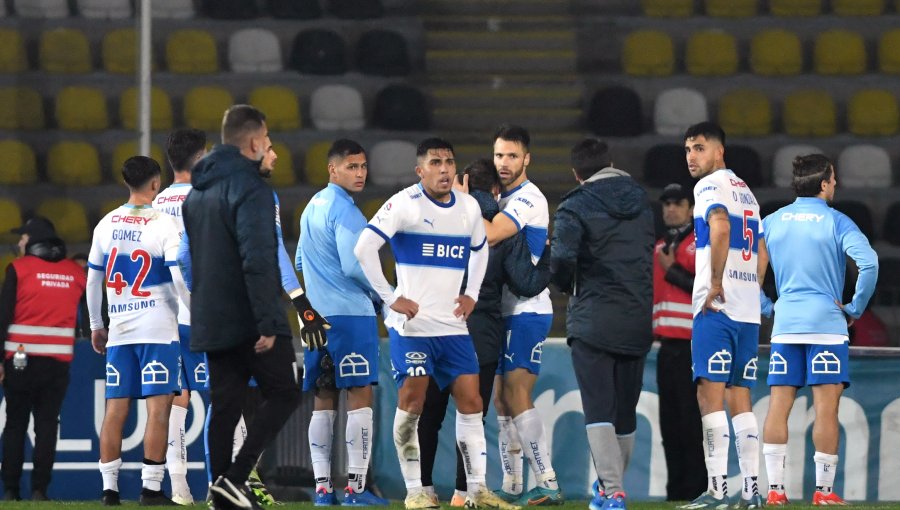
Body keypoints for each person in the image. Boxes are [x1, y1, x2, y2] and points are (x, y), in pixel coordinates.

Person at [353, 138, 515, 510]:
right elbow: (364, 247)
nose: (444, 169)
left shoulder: (469, 207)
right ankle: (415, 491)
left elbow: (480, 250)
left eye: (449, 162)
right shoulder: (404, 204)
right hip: (413, 327)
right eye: (436, 162)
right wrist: (391, 298)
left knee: (472, 402)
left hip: (453, 327)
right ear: (420, 170)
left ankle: (476, 490)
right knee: (413, 403)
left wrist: (471, 293)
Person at [182, 105, 324, 510]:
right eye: (269, 143)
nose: (271, 151)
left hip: (211, 317)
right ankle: (236, 477)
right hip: (249, 317)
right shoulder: (253, 190)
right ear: (255, 143)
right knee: (283, 393)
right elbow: (258, 258)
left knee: (225, 406)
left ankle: (219, 492)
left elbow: (189, 259)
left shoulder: (197, 193)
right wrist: (267, 320)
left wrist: (206, 304)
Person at [417, 159, 551, 507]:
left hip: (435, 328)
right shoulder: (500, 232)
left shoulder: (434, 218)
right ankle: (465, 493)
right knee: (472, 414)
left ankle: (424, 491)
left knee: (429, 413)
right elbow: (526, 281)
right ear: (495, 191)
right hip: (482, 332)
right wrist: (550, 253)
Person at [759, 154, 878, 506]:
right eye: (834, 179)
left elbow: (751, 274)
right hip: (826, 324)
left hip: (786, 325)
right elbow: (869, 263)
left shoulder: (772, 221)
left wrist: (770, 309)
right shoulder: (838, 221)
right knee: (826, 410)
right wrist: (855, 307)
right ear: (824, 184)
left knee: (779, 406)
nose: (836, 184)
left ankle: (776, 491)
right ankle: (824, 493)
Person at [550, 139, 654, 510]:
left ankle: (612, 492)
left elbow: (561, 258)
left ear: (577, 174)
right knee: (624, 412)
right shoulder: (643, 202)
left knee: (598, 407)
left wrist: (564, 284)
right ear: (611, 163)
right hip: (637, 318)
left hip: (594, 319)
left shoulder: (574, 205)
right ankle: (612, 487)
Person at [87, 156, 191, 506]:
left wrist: (97, 325)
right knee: (158, 410)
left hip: (119, 330)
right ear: (155, 184)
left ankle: (109, 490)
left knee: (115, 409)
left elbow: (93, 280)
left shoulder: (105, 224)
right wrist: (193, 309)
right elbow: (178, 274)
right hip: (158, 330)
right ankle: (150, 488)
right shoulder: (163, 224)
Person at [294, 139, 388, 507]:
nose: (360, 173)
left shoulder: (310, 207)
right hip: (351, 315)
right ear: (333, 169)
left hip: (315, 318)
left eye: (363, 166)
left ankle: (321, 490)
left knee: (324, 396)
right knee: (359, 394)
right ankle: (356, 489)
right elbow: (354, 265)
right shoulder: (348, 211)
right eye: (352, 167)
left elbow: (301, 262)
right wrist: (384, 293)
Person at [678, 122, 766, 509]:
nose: (692, 157)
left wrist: (715, 282)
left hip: (717, 309)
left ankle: (717, 491)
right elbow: (762, 251)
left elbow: (718, 227)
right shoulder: (746, 191)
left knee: (708, 395)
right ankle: (751, 492)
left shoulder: (708, 188)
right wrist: (751, 288)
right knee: (740, 396)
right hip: (747, 310)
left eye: (699, 148)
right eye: (687, 150)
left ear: (719, 152)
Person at [474, 125, 559, 506]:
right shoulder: (499, 197)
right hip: (503, 310)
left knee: (515, 391)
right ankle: (512, 484)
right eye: (498, 155)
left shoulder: (529, 199)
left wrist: (463, 202)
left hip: (529, 309)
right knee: (500, 401)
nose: (504, 163)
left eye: (511, 156)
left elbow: (491, 235)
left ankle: (548, 480)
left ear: (527, 159)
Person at [0, 217, 86, 501]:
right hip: (57, 364)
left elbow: (4, 318)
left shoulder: (18, 269)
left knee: (15, 424)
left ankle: (11, 491)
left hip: (20, 361)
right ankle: (40, 490)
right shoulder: (75, 273)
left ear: (34, 239)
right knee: (47, 426)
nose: (20, 243)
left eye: (23, 238)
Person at [154, 127, 207, 505]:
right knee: (225, 394)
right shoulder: (205, 198)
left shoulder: (155, 204)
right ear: (201, 157)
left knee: (178, 395)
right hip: (203, 309)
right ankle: (228, 480)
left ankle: (180, 487)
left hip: (165, 315)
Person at [652, 184, 706, 501]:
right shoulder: (660, 246)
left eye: (678, 203)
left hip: (692, 344)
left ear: (691, 207)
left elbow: (705, 288)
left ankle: (696, 488)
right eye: (666, 203)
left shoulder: (699, 243)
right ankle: (675, 491)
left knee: (689, 423)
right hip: (667, 346)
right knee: (669, 425)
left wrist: (671, 270)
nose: (671, 209)